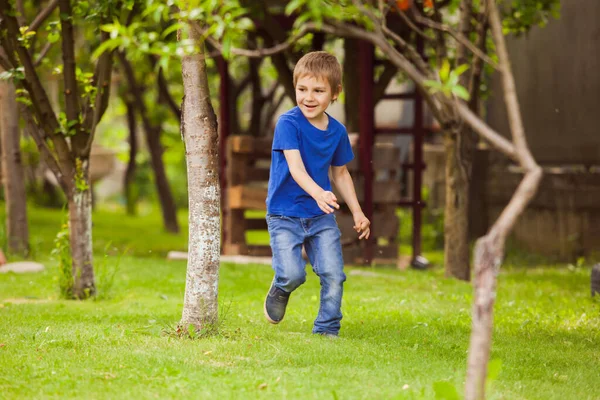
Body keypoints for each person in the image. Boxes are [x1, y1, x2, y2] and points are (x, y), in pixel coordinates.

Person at [264, 51, 371, 337]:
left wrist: (358, 212)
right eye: (302, 89)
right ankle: (281, 286)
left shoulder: (337, 132)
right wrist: (319, 193)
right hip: (284, 213)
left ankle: (326, 329)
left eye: (318, 90)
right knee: (292, 273)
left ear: (335, 93)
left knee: (334, 274)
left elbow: (340, 173)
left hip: (320, 216)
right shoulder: (288, 123)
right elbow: (296, 169)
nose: (308, 97)